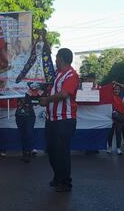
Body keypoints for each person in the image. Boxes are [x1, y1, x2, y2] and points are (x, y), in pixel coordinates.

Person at [40, 48, 79, 192]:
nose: (55, 60)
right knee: (51, 150)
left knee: (62, 151)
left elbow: (64, 94)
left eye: (56, 57)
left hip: (64, 120)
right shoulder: (58, 74)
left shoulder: (71, 75)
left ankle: (65, 182)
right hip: (52, 119)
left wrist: (47, 99)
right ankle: (58, 177)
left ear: (61, 58)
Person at [15, 90, 39, 163]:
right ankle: (25, 152)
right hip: (19, 115)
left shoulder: (31, 87)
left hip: (30, 115)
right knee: (22, 134)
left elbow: (37, 101)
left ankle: (28, 151)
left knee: (29, 133)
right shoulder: (15, 87)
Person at [107, 84, 124, 155]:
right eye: (115, 89)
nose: (116, 91)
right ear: (112, 90)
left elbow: (122, 109)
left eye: (118, 89)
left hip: (119, 119)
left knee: (118, 133)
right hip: (111, 119)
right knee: (110, 134)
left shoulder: (121, 99)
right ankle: (110, 147)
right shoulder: (109, 98)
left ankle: (118, 148)